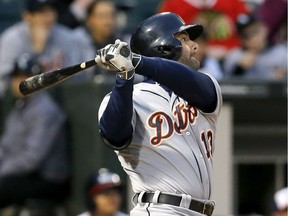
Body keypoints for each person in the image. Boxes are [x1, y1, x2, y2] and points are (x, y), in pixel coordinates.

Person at [96, 12, 222, 215]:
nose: (195, 46)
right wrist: (125, 76)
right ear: (163, 47)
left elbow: (189, 82)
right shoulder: (129, 97)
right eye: (184, 39)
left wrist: (135, 61)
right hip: (157, 208)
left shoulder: (205, 86)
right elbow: (115, 136)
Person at [0, 54, 70, 210]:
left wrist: (2, 170)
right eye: (17, 77)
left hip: (48, 180)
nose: (20, 82)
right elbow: (6, 145)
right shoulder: (19, 105)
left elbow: (32, 160)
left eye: (26, 77)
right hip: (23, 174)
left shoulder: (46, 110)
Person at [0, 0, 83, 97]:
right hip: (21, 100)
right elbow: (5, 82)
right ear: (27, 16)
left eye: (51, 11)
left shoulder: (66, 37)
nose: (49, 17)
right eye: (42, 12)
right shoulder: (12, 40)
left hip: (61, 99)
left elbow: (77, 78)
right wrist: (36, 51)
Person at [73, 0, 130, 77]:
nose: (108, 22)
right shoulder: (75, 40)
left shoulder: (126, 42)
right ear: (89, 19)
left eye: (112, 16)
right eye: (102, 16)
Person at [223, 14, 287, 80]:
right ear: (241, 39)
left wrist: (282, 80)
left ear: (264, 28)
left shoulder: (281, 53)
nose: (254, 37)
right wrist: (240, 68)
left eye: (255, 31)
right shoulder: (235, 56)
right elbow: (228, 85)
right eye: (246, 35)